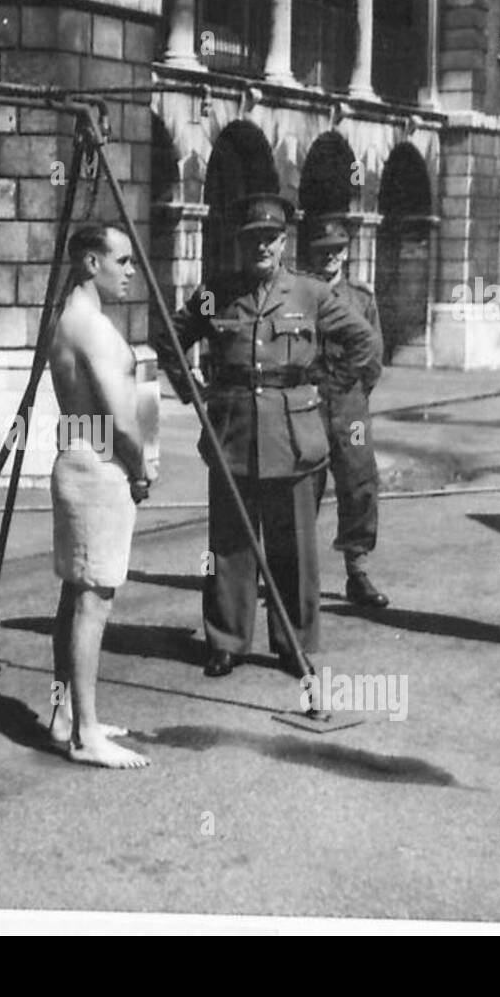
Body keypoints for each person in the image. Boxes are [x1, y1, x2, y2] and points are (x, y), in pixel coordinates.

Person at [152, 193, 380, 678]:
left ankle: (293, 642)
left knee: (293, 546)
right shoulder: (219, 292)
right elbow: (170, 337)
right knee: (228, 544)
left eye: (270, 239)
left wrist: (326, 391)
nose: (262, 247)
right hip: (232, 432)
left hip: (294, 433)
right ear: (242, 243)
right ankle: (226, 639)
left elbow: (364, 340)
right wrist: (191, 391)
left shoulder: (310, 293)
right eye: (253, 239)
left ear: (283, 242)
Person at [46, 223, 154, 769]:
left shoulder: (71, 319)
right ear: (92, 263)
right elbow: (120, 419)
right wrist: (140, 465)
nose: (131, 271)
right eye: (123, 260)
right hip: (100, 465)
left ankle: (67, 716)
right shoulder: (89, 327)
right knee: (94, 601)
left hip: (78, 458)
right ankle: (85, 732)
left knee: (75, 595)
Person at [307, 217, 388, 607]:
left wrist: (350, 393)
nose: (329, 256)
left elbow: (373, 359)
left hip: (348, 405)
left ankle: (357, 572)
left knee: (359, 485)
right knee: (302, 489)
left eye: (336, 248)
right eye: (322, 249)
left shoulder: (361, 298)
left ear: (346, 252)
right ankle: (293, 576)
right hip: (306, 404)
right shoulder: (297, 294)